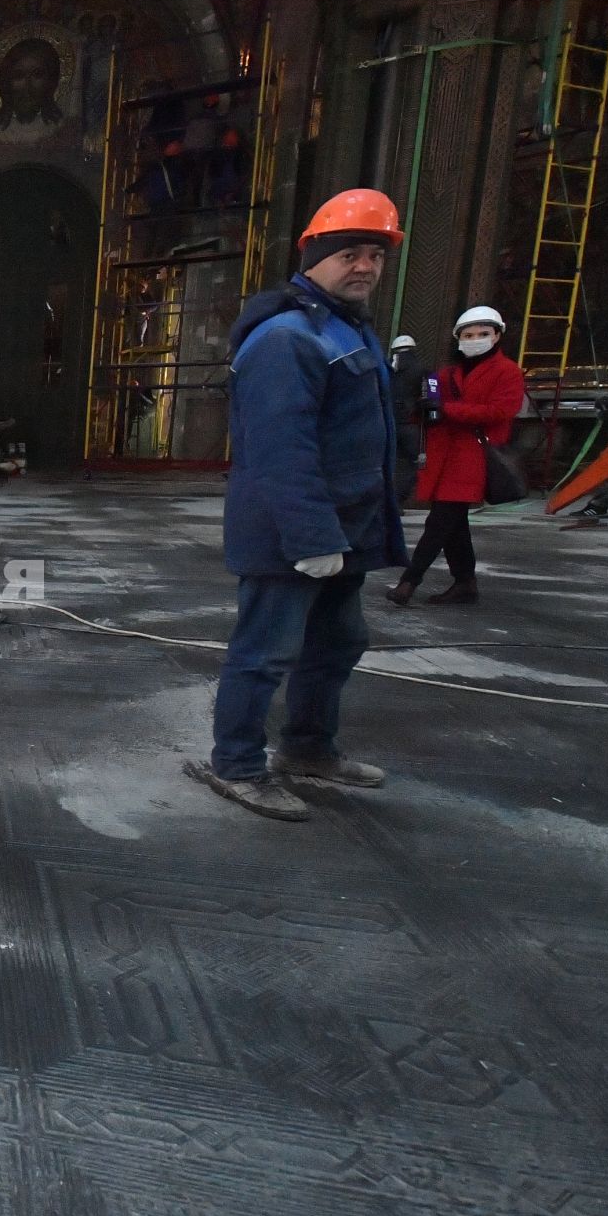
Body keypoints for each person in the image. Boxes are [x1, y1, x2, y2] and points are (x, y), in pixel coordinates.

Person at [190, 188, 408, 822]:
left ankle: (309, 748)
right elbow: (280, 451)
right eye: (349, 253)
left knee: (338, 642)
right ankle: (237, 764)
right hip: (294, 533)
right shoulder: (288, 337)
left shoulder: (346, 330)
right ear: (313, 254)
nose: (364, 265)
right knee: (265, 653)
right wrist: (312, 538)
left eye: (374, 254)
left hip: (344, 528)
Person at [386, 306, 525, 606]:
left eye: (483, 334)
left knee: (440, 522)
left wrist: (447, 410)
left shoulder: (507, 372)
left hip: (472, 457)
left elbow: (501, 410)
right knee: (454, 526)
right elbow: (429, 408)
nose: (475, 339)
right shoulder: (446, 375)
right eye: (468, 334)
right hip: (444, 454)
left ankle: (409, 581)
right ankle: (465, 582)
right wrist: (422, 413)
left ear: (497, 335)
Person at [388, 334, 429, 502]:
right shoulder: (423, 369)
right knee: (412, 463)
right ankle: (397, 500)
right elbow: (433, 398)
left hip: (387, 422)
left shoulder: (384, 368)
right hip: (411, 423)